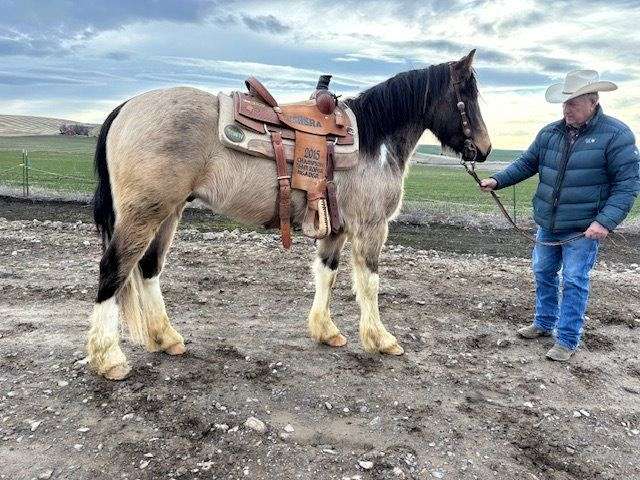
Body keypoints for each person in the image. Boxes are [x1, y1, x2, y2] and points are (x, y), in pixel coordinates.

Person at [480, 70, 640, 361]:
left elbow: (628, 185)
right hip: (548, 224)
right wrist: (498, 180)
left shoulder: (617, 135)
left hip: (583, 229)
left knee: (575, 280)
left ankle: (567, 339)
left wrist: (604, 221)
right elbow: (527, 163)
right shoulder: (550, 133)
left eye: (573, 103)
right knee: (542, 273)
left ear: (593, 101)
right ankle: (543, 323)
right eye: (564, 103)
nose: (567, 109)